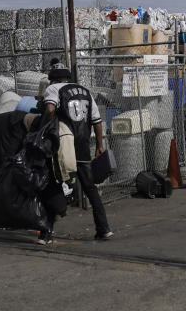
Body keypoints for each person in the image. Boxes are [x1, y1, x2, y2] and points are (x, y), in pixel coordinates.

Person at [43, 61, 114, 241]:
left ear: (53, 79)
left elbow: (50, 110)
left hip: (63, 144)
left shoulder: (53, 90)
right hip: (82, 145)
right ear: (68, 77)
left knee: (54, 183)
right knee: (90, 187)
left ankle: (46, 233)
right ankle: (103, 228)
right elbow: (97, 121)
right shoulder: (85, 91)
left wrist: (44, 125)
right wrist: (99, 145)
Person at [24, 91, 77, 245]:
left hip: (49, 169)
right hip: (59, 171)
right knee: (50, 197)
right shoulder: (64, 125)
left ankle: (46, 231)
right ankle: (47, 230)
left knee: (46, 197)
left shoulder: (49, 124)